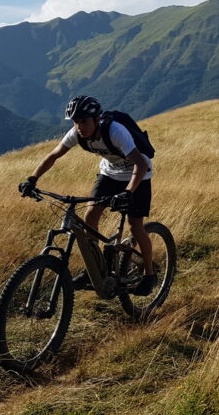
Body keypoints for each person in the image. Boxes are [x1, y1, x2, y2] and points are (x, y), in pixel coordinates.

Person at [18, 96, 157, 296]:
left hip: (138, 176)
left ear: (96, 119)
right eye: (75, 122)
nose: (79, 126)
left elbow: (141, 164)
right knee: (90, 215)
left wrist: (128, 192)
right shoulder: (77, 133)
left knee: (135, 227)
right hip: (109, 174)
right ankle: (96, 270)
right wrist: (32, 179)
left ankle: (149, 275)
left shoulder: (115, 131)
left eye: (83, 121)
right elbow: (54, 155)